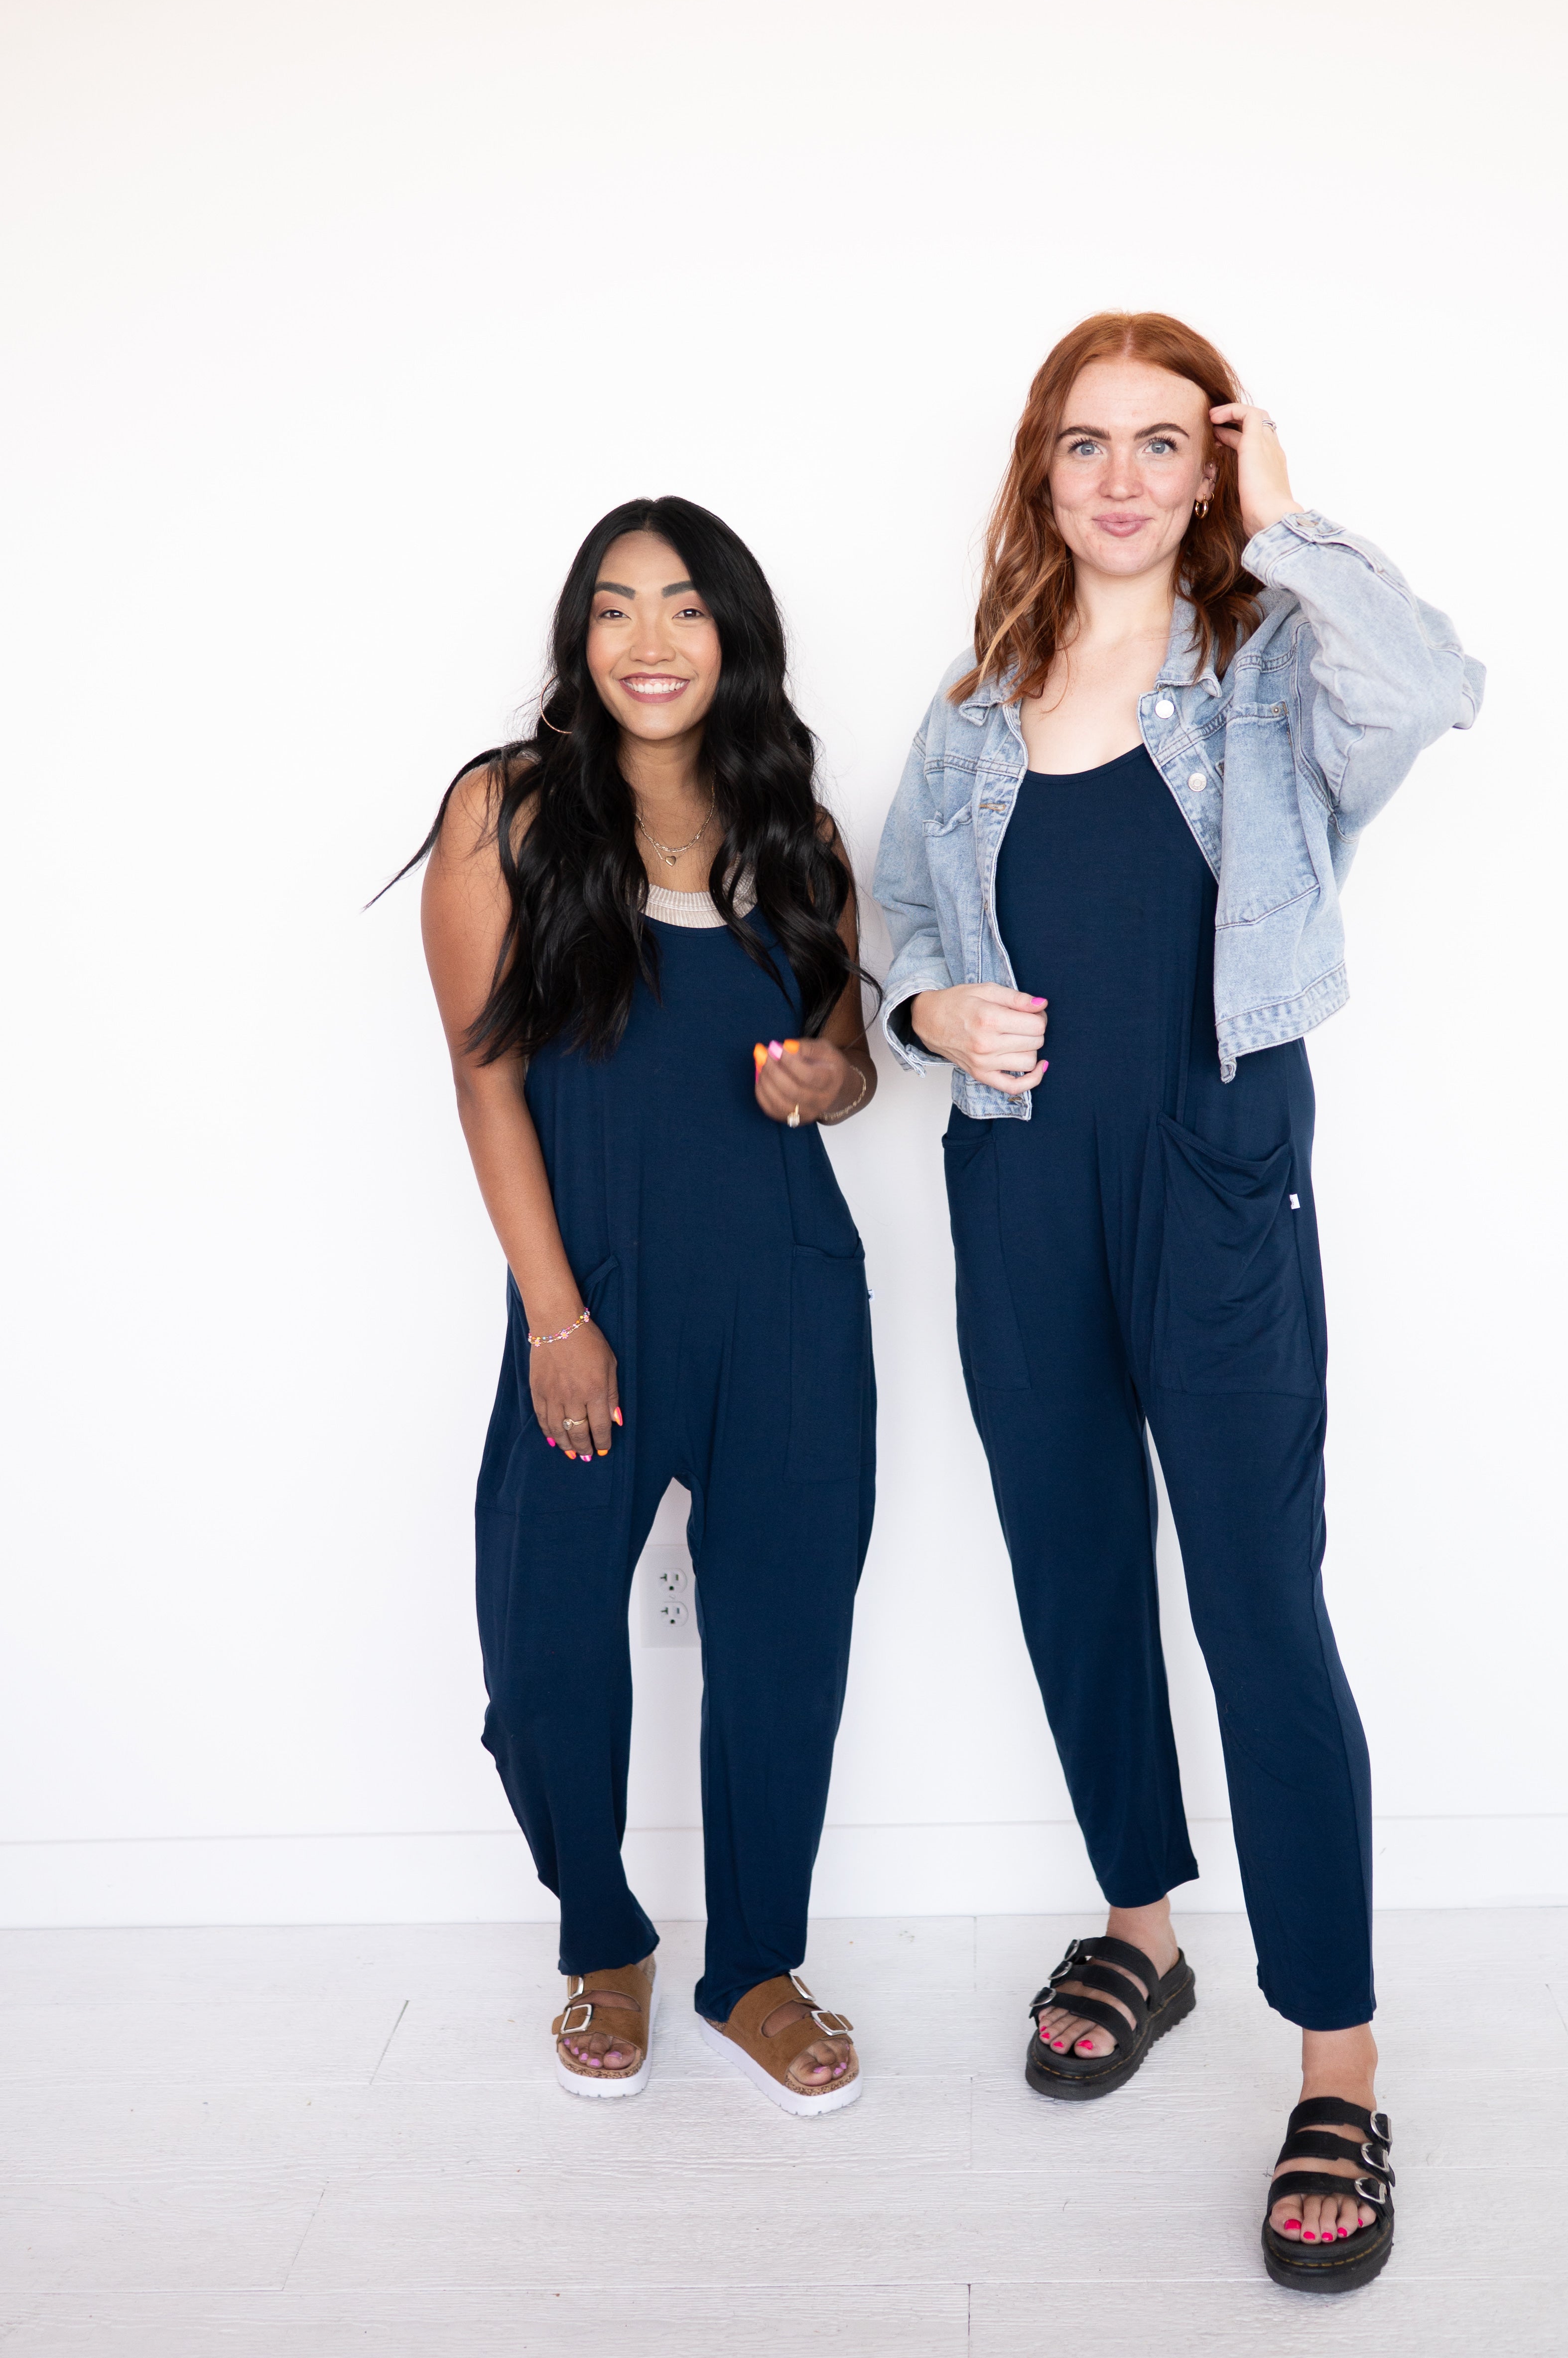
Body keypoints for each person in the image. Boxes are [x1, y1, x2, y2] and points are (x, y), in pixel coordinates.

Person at [873, 312, 1482, 2288]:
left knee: (1254, 1599)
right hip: (1016, 1184)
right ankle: (1142, 1924)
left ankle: (1340, 2057)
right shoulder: (974, 711)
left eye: (1163, 443)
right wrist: (922, 1004)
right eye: (1083, 446)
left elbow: (1437, 686)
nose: (1121, 479)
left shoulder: (1275, 675)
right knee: (1072, 1567)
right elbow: (898, 919)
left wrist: (1294, 522)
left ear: (1211, 467)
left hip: (1215, 1178)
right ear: (1037, 477)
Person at [408, 495, 877, 2115]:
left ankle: (752, 1959)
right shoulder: (510, 812)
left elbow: (849, 1059)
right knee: (542, 1652)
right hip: (593, 1302)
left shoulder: (797, 833)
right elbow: (487, 1088)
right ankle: (598, 1933)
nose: (652, 643)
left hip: (797, 1305)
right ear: (579, 638)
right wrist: (555, 1316)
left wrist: (831, 1075)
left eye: (686, 608)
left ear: (735, 634)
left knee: (780, 1653)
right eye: (615, 609)